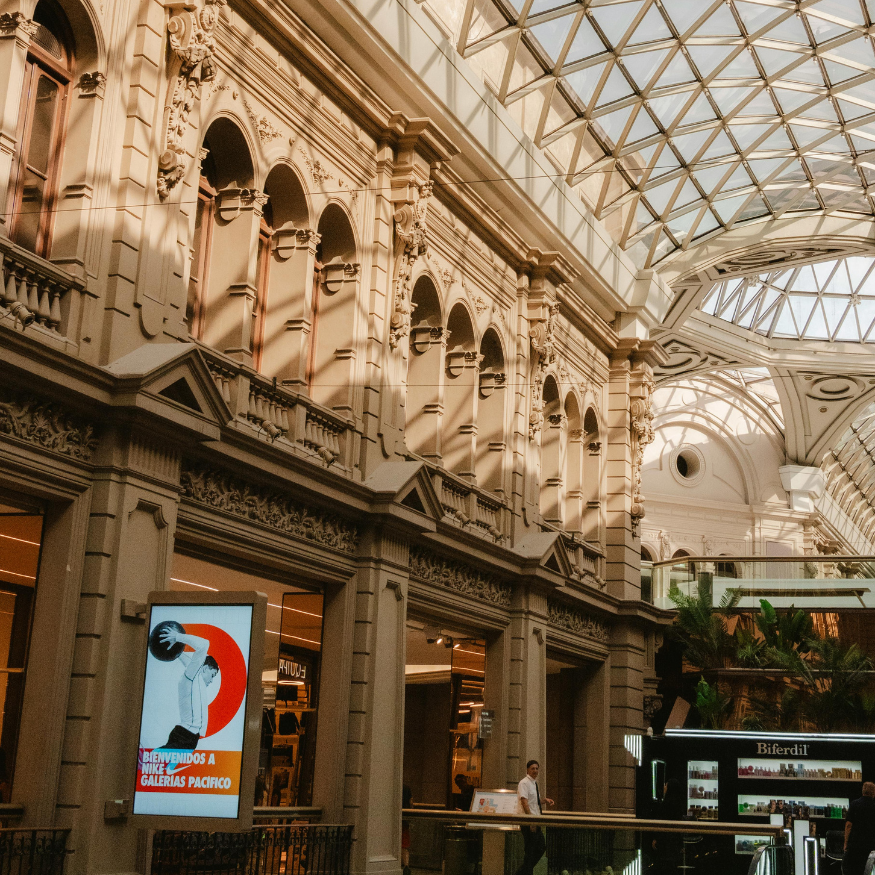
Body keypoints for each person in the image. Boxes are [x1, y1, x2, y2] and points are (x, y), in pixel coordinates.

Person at [156, 627, 219, 752]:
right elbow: (204, 644)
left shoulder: (194, 677)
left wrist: (176, 650)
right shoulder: (193, 676)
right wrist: (177, 637)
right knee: (155, 758)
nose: (211, 680)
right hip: (185, 736)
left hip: (188, 737)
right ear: (204, 668)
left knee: (160, 761)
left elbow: (187, 661)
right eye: (212, 675)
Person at [515, 760, 554, 875]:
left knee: (539, 847)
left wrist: (544, 800)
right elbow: (524, 802)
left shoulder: (534, 783)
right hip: (528, 821)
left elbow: (534, 801)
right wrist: (530, 820)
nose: (535, 771)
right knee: (531, 850)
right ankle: (524, 872)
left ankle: (523, 872)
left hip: (535, 820)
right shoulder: (524, 783)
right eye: (533, 768)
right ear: (527, 770)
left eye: (537, 768)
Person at [844, 782, 875, 875]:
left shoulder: (854, 804)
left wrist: (846, 843)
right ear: (873, 792)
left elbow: (848, 825)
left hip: (855, 844)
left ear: (862, 791)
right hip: (871, 845)